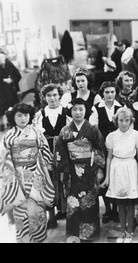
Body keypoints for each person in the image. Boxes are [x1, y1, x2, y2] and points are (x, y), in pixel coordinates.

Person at [0, 103, 54, 242]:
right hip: (17, 177)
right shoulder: (9, 135)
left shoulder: (36, 133)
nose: (23, 118)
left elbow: (45, 151)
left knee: (37, 209)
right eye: (19, 115)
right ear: (13, 117)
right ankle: (23, 239)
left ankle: (40, 238)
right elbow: (4, 158)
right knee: (20, 208)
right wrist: (9, 176)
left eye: (26, 115)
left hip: (36, 173)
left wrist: (47, 165)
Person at [55, 98, 106, 241]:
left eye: (81, 109)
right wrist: (63, 171)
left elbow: (99, 149)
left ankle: (89, 234)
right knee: (73, 204)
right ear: (70, 111)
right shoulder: (65, 131)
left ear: (86, 111)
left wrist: (100, 170)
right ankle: (73, 234)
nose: (78, 112)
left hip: (90, 171)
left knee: (89, 202)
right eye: (75, 109)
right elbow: (61, 152)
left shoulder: (93, 129)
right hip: (71, 172)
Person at [33, 84, 72, 229]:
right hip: (46, 152)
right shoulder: (40, 114)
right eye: (49, 95)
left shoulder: (67, 112)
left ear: (60, 96)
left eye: (55, 95)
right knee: (48, 182)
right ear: (44, 98)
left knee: (65, 182)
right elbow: (37, 135)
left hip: (64, 150)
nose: (52, 98)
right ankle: (51, 217)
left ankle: (66, 212)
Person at [101, 107, 138, 243]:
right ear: (116, 121)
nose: (124, 123)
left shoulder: (136, 135)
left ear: (131, 121)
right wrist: (107, 177)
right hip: (116, 169)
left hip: (130, 168)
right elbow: (108, 158)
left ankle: (130, 232)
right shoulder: (112, 136)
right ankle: (122, 231)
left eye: (127, 120)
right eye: (121, 120)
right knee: (120, 203)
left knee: (130, 203)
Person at [89, 81, 123, 224]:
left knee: (116, 178)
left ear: (116, 93)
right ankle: (108, 210)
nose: (110, 95)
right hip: (101, 148)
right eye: (107, 92)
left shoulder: (121, 107)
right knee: (103, 180)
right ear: (102, 94)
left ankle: (116, 209)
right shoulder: (96, 108)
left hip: (118, 148)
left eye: (112, 92)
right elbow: (93, 129)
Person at [0, 50, 21, 131]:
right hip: (1, 90)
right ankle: (2, 124)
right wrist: (3, 80)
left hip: (10, 90)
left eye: (2, 57)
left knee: (12, 106)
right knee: (1, 108)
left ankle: (12, 123)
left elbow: (18, 75)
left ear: (5, 57)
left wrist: (12, 80)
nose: (1, 59)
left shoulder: (9, 64)